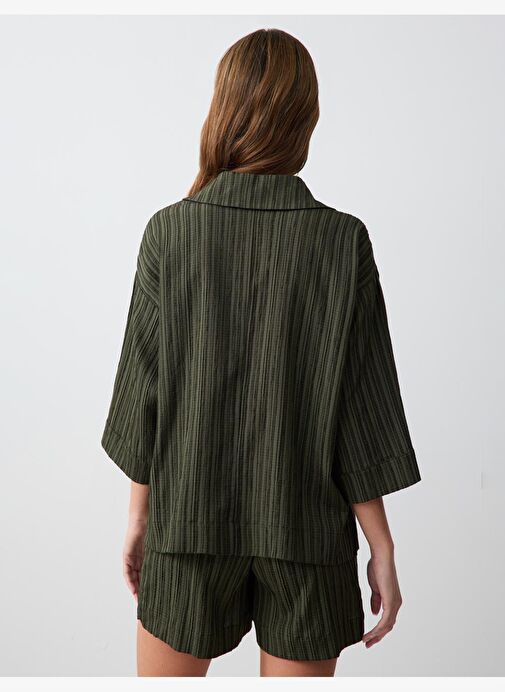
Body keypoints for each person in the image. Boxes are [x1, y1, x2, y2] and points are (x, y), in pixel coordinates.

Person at [100, 27, 421, 677]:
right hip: (306, 533)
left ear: (222, 109)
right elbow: (362, 411)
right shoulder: (341, 242)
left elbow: (143, 393)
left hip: (186, 529)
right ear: (306, 119)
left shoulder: (170, 233)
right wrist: (381, 546)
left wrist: (139, 516)